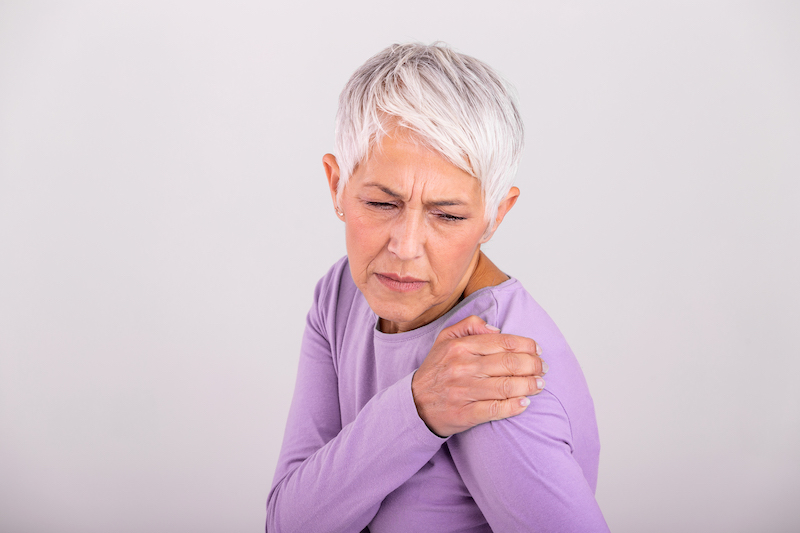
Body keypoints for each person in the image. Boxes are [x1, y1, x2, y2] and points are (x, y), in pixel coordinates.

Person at [266, 43, 609, 532]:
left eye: (447, 215)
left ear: (495, 216)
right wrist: (417, 406)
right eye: (383, 204)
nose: (406, 247)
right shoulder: (341, 293)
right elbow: (290, 523)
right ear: (336, 185)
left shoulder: (495, 378)